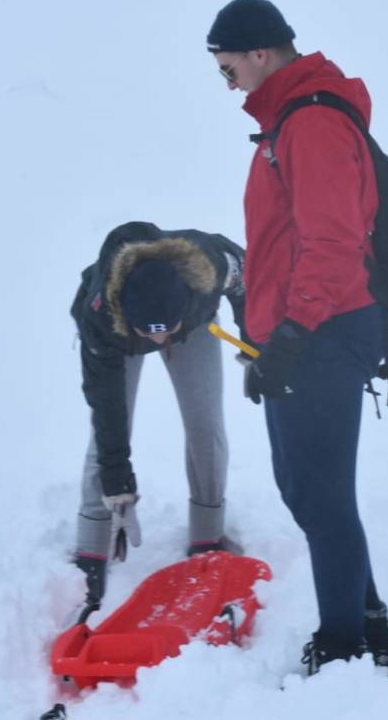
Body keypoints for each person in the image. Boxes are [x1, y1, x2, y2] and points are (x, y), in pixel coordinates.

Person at [206, 0, 388, 675]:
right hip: (300, 329)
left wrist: (290, 332)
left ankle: (348, 645)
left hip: (324, 328)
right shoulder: (287, 121)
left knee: (321, 494)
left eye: (227, 65)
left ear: (261, 51)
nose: (226, 79)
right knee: (303, 489)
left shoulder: (312, 121)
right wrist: (264, 333)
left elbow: (332, 242)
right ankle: (364, 615)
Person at [68, 221, 246, 613]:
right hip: (118, 336)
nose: (160, 342)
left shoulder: (209, 268)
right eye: (151, 334)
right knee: (111, 430)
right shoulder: (101, 317)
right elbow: (107, 408)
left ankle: (207, 535)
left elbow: (249, 282)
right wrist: (118, 483)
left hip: (194, 326)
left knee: (205, 423)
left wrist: (254, 341)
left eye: (166, 332)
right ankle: (92, 545)